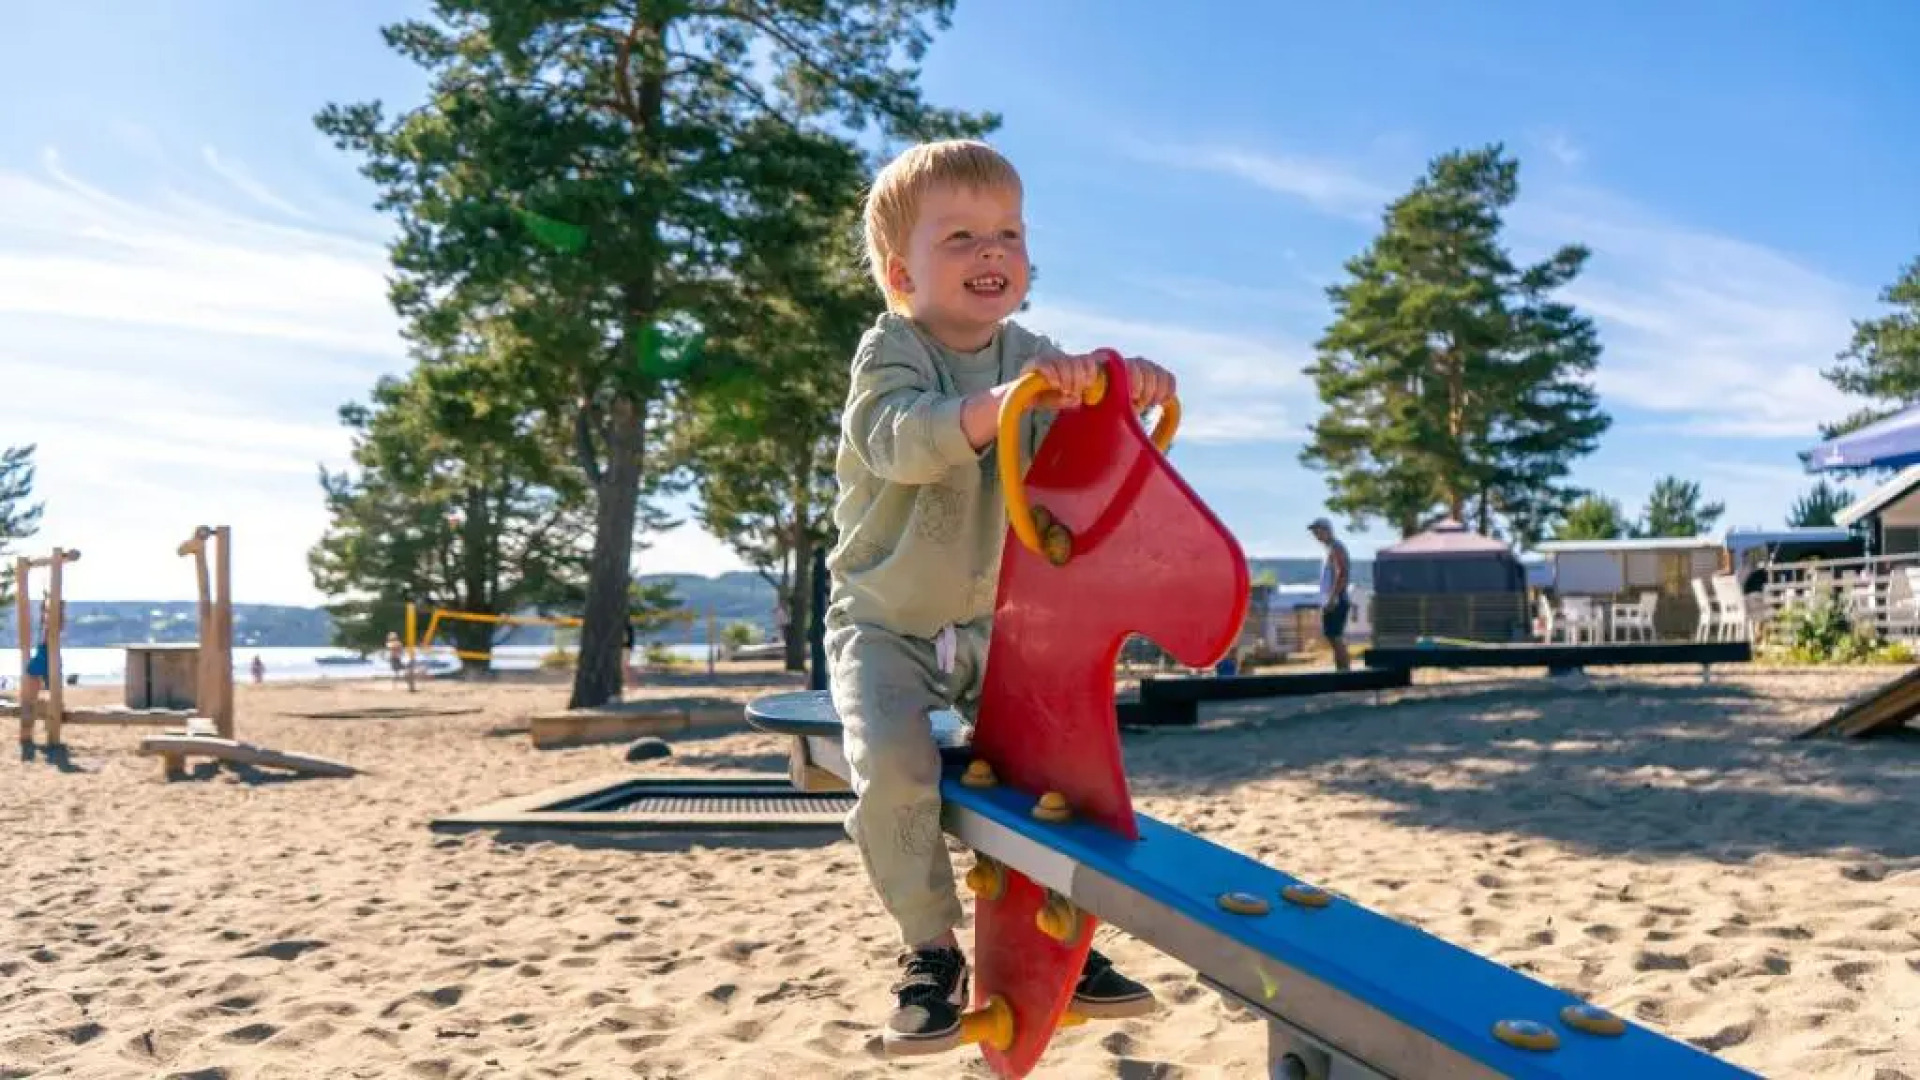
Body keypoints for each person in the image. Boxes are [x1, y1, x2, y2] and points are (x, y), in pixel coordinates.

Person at [825, 139, 1177, 1054]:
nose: (993, 252)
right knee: (896, 770)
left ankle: (1061, 934)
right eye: (963, 237)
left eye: (1009, 234)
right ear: (903, 275)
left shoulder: (1031, 355)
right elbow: (899, 440)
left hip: (991, 626)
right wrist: (1003, 406)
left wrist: (1122, 390)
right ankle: (930, 951)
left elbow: (1084, 434)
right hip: (885, 623)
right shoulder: (890, 353)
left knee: (1052, 770)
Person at [1309, 517, 1352, 671]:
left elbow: (1343, 573)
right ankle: (1341, 670)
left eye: (1318, 531)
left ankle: (1345, 672)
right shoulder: (1330, 548)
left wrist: (1333, 597)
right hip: (1331, 598)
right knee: (1332, 636)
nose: (1316, 535)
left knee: (1335, 636)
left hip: (1337, 599)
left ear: (1327, 530)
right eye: (1314, 532)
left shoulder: (1336, 547)